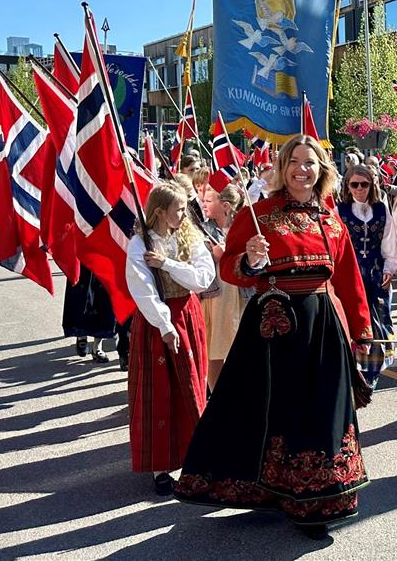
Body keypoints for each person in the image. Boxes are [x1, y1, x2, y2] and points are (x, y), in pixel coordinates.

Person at [173, 135, 374, 538]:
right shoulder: (257, 213)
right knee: (276, 412)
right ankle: (276, 492)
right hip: (273, 327)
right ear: (282, 168)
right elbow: (228, 269)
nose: (303, 169)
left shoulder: (331, 219)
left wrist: (362, 328)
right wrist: (250, 258)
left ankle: (317, 499)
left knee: (322, 413)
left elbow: (350, 279)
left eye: (311, 162)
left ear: (322, 170)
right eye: (294, 161)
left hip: (321, 327)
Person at [123, 182, 215, 495]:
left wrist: (167, 263)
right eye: (178, 208)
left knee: (191, 384)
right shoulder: (139, 243)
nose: (184, 213)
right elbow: (142, 288)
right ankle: (160, 468)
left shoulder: (191, 236)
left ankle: (196, 456)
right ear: (161, 212)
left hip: (189, 314)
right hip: (155, 323)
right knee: (160, 390)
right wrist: (164, 324)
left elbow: (203, 278)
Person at [337, 163, 397, 388]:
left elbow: (389, 243)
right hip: (350, 274)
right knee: (352, 320)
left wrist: (388, 269)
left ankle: (371, 373)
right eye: (354, 184)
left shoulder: (382, 209)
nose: (359, 189)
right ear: (347, 185)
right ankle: (352, 370)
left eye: (364, 184)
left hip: (375, 275)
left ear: (371, 185)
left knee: (378, 322)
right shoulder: (340, 211)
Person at [200, 184, 250, 392]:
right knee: (215, 348)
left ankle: (239, 392)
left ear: (226, 206)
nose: (205, 204)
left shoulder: (244, 227)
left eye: (211, 200)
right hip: (216, 294)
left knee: (241, 346)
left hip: (240, 293)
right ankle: (217, 394)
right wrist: (212, 255)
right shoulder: (204, 227)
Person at [62, 270, 116, 364]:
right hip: (81, 261)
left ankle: (97, 347)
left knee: (102, 301)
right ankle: (81, 335)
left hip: (103, 261)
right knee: (80, 298)